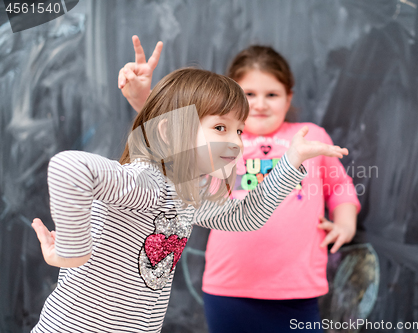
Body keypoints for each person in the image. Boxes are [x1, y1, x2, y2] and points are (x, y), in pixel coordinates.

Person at [31, 65, 349, 333]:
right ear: (169, 132)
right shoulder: (146, 181)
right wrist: (74, 252)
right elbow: (68, 167)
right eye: (221, 127)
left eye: (238, 131)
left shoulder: (187, 192)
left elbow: (244, 217)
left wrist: (291, 162)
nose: (235, 142)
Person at [118, 37, 360, 332]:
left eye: (271, 94)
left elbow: (339, 187)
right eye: (249, 93)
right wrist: (143, 102)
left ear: (289, 97)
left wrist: (345, 224)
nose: (259, 103)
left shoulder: (310, 137)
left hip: (297, 285)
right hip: (229, 285)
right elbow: (171, 148)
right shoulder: (215, 139)